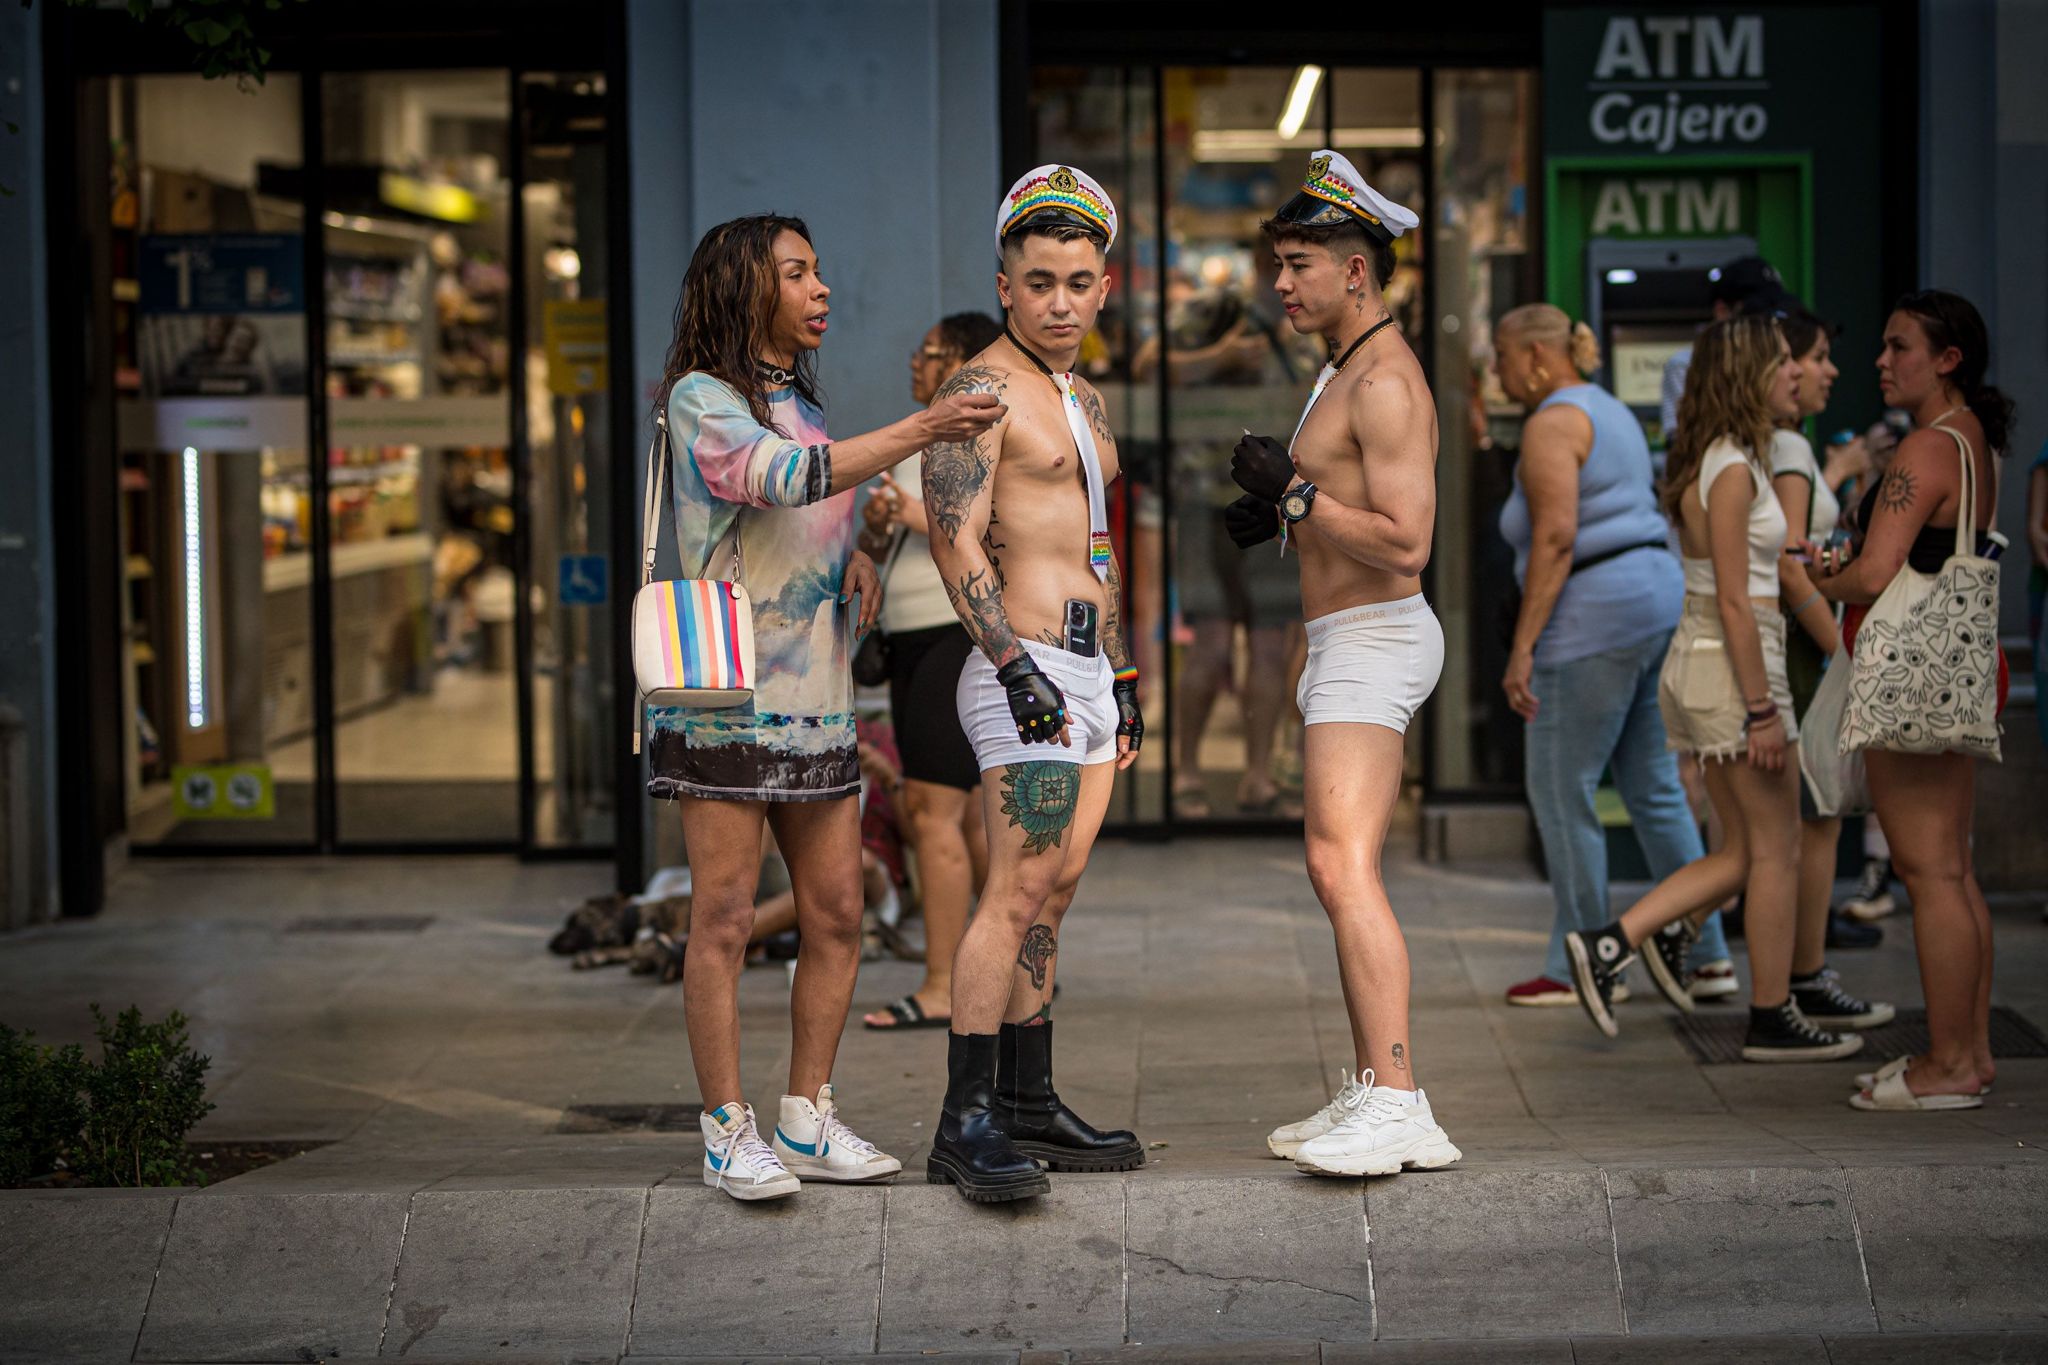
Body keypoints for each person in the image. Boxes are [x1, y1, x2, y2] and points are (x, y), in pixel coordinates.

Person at [649, 214, 1004, 1200]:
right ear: (741, 290)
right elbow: (778, 478)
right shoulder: (699, 399)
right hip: (726, 697)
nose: (822, 290)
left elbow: (810, 509)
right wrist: (922, 427)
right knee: (721, 916)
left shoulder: (795, 402)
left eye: (819, 271)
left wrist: (853, 551)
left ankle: (805, 1117)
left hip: (816, 697)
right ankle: (727, 1127)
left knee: (838, 913)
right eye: (797, 273)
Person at [1223, 149, 1460, 1177]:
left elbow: (1408, 543)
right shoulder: (1339, 364)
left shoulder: (1386, 381)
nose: (1280, 282)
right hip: (1341, 638)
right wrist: (1277, 509)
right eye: (1278, 262)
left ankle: (1400, 1098)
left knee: (1339, 863)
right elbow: (1334, 506)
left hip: (1375, 636)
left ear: (1355, 269)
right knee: (1334, 866)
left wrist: (1298, 498)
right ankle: (1374, 1084)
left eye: (1298, 262)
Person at [921, 165, 1144, 1202]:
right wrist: (1011, 666)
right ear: (1005, 285)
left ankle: (1024, 1101)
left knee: (1054, 891)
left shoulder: (1082, 396)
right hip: (1024, 673)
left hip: (1088, 676)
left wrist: (1125, 670)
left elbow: (1099, 548)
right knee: (1010, 892)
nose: (1060, 300)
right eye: (1039, 280)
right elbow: (950, 531)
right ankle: (962, 1123)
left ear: (1106, 286)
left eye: (1079, 280)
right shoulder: (979, 391)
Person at [1562, 314, 1865, 1062]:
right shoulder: (1730, 466)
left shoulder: (1727, 458)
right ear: (1749, 376)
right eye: (1781, 364)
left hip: (1722, 660)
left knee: (1749, 849)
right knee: (1777, 847)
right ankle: (1767, 1011)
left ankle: (1622, 942)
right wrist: (1763, 710)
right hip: (1734, 664)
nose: (1795, 374)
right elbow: (1734, 597)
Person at [1489, 304, 1734, 1009]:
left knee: (1561, 793)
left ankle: (1581, 963)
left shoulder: (1550, 423)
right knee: (1653, 785)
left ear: (1537, 355)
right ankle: (1708, 952)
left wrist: (1523, 647)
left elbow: (1556, 538)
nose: (1498, 372)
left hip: (1591, 620)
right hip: (1654, 603)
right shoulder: (1611, 410)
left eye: (1503, 357)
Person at [1813, 290, 2012, 1109]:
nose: (1881, 361)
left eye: (1900, 348)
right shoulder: (1973, 444)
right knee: (1952, 870)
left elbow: (1872, 573)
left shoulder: (1927, 448)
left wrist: (1814, 571)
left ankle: (1947, 1066)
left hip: (1910, 677)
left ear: (1948, 359)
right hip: (1955, 668)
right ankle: (1971, 1052)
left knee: (1927, 871)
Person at [860, 311, 1005, 1031]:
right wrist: (880, 525)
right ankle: (1009, 967)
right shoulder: (914, 434)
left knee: (933, 812)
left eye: (929, 352)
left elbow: (973, 527)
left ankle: (947, 981)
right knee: (968, 817)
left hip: (957, 631)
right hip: (911, 636)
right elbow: (890, 536)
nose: (917, 362)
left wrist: (910, 512)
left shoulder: (980, 431)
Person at [1768, 309, 1895, 1005]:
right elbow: (1790, 566)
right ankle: (1806, 974)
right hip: (1804, 648)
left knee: (1791, 825)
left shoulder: (1779, 445)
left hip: (1792, 645)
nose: (1831, 371)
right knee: (1812, 817)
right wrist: (1839, 648)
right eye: (1816, 357)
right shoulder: (1788, 449)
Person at [1658, 256, 1789, 443]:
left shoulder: (1781, 359)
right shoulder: (1686, 365)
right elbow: (1681, 444)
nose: (1767, 325)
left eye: (1774, 314)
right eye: (1755, 316)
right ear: (1722, 311)